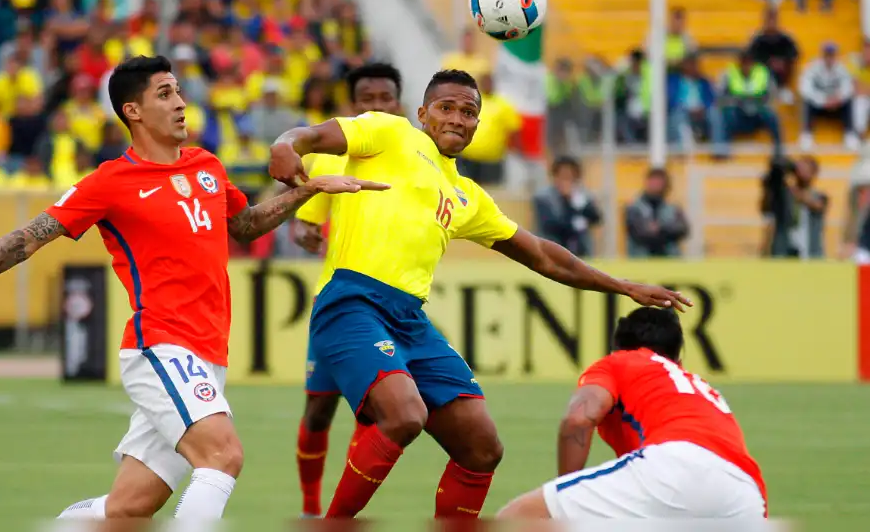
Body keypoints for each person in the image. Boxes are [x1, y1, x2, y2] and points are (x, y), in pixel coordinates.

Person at [0, 55, 387, 521]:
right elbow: (25, 239)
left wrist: (308, 189)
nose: (182, 102)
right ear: (134, 110)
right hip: (161, 344)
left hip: (207, 351)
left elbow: (246, 226)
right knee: (223, 455)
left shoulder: (207, 166)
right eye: (165, 94)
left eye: (179, 91)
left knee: (128, 509)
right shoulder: (110, 181)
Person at [268, 69, 691, 519]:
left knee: (482, 446)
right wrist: (284, 145)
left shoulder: (467, 196)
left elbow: (545, 256)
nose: (457, 118)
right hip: (351, 302)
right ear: (422, 113)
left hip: (409, 319)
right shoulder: (389, 131)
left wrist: (623, 285)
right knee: (404, 415)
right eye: (446, 107)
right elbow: (309, 135)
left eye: (469, 112)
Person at [496, 307, 767, 520]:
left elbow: (578, 419)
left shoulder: (622, 362)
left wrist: (564, 508)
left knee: (519, 519)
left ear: (617, 349)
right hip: (747, 495)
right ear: (678, 360)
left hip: (676, 466)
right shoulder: (698, 387)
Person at [290, 61, 405, 518]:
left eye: (384, 99)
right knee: (319, 412)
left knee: (376, 412)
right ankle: (309, 510)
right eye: (366, 100)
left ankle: (343, 515)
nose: (376, 108)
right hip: (338, 303)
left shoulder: (419, 157)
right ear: (351, 107)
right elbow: (305, 224)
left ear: (400, 103)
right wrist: (307, 234)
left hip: (394, 306)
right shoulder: (330, 159)